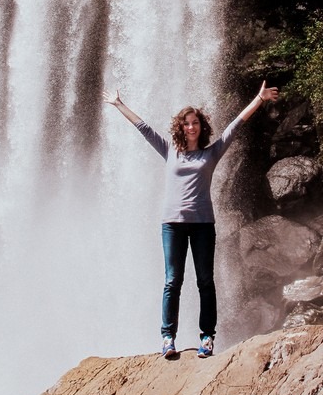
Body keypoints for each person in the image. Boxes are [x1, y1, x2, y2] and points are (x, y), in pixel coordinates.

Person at [103, 80, 279, 359]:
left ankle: (207, 337)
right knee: (173, 281)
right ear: (180, 127)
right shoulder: (169, 150)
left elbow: (235, 125)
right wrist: (119, 104)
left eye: (195, 122)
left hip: (202, 226)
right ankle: (167, 338)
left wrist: (259, 99)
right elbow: (144, 128)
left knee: (205, 281)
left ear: (201, 127)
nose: (191, 127)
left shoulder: (211, 153)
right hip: (172, 225)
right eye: (186, 123)